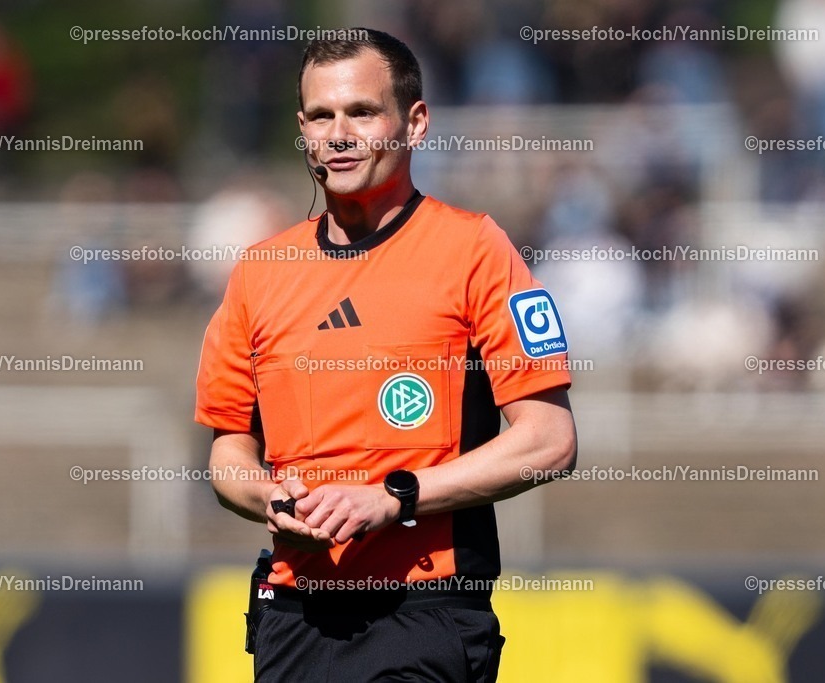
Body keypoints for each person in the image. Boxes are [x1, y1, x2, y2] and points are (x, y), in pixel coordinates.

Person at [195, 27, 577, 682]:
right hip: (292, 614)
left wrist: (394, 498)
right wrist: (267, 495)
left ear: (415, 122)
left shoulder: (475, 251)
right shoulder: (260, 270)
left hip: (423, 611)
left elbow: (550, 441)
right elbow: (229, 451)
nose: (338, 134)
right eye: (321, 116)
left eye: (361, 111)